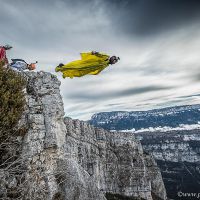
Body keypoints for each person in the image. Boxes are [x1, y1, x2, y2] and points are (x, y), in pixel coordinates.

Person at [55, 51, 120, 78]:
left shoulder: (106, 65)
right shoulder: (106, 57)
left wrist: (96, 73)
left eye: (115, 61)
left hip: (88, 69)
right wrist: (95, 53)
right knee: (75, 66)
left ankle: (64, 71)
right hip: (87, 64)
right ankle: (61, 67)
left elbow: (99, 69)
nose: (114, 61)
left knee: (78, 74)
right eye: (114, 59)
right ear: (112, 57)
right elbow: (99, 54)